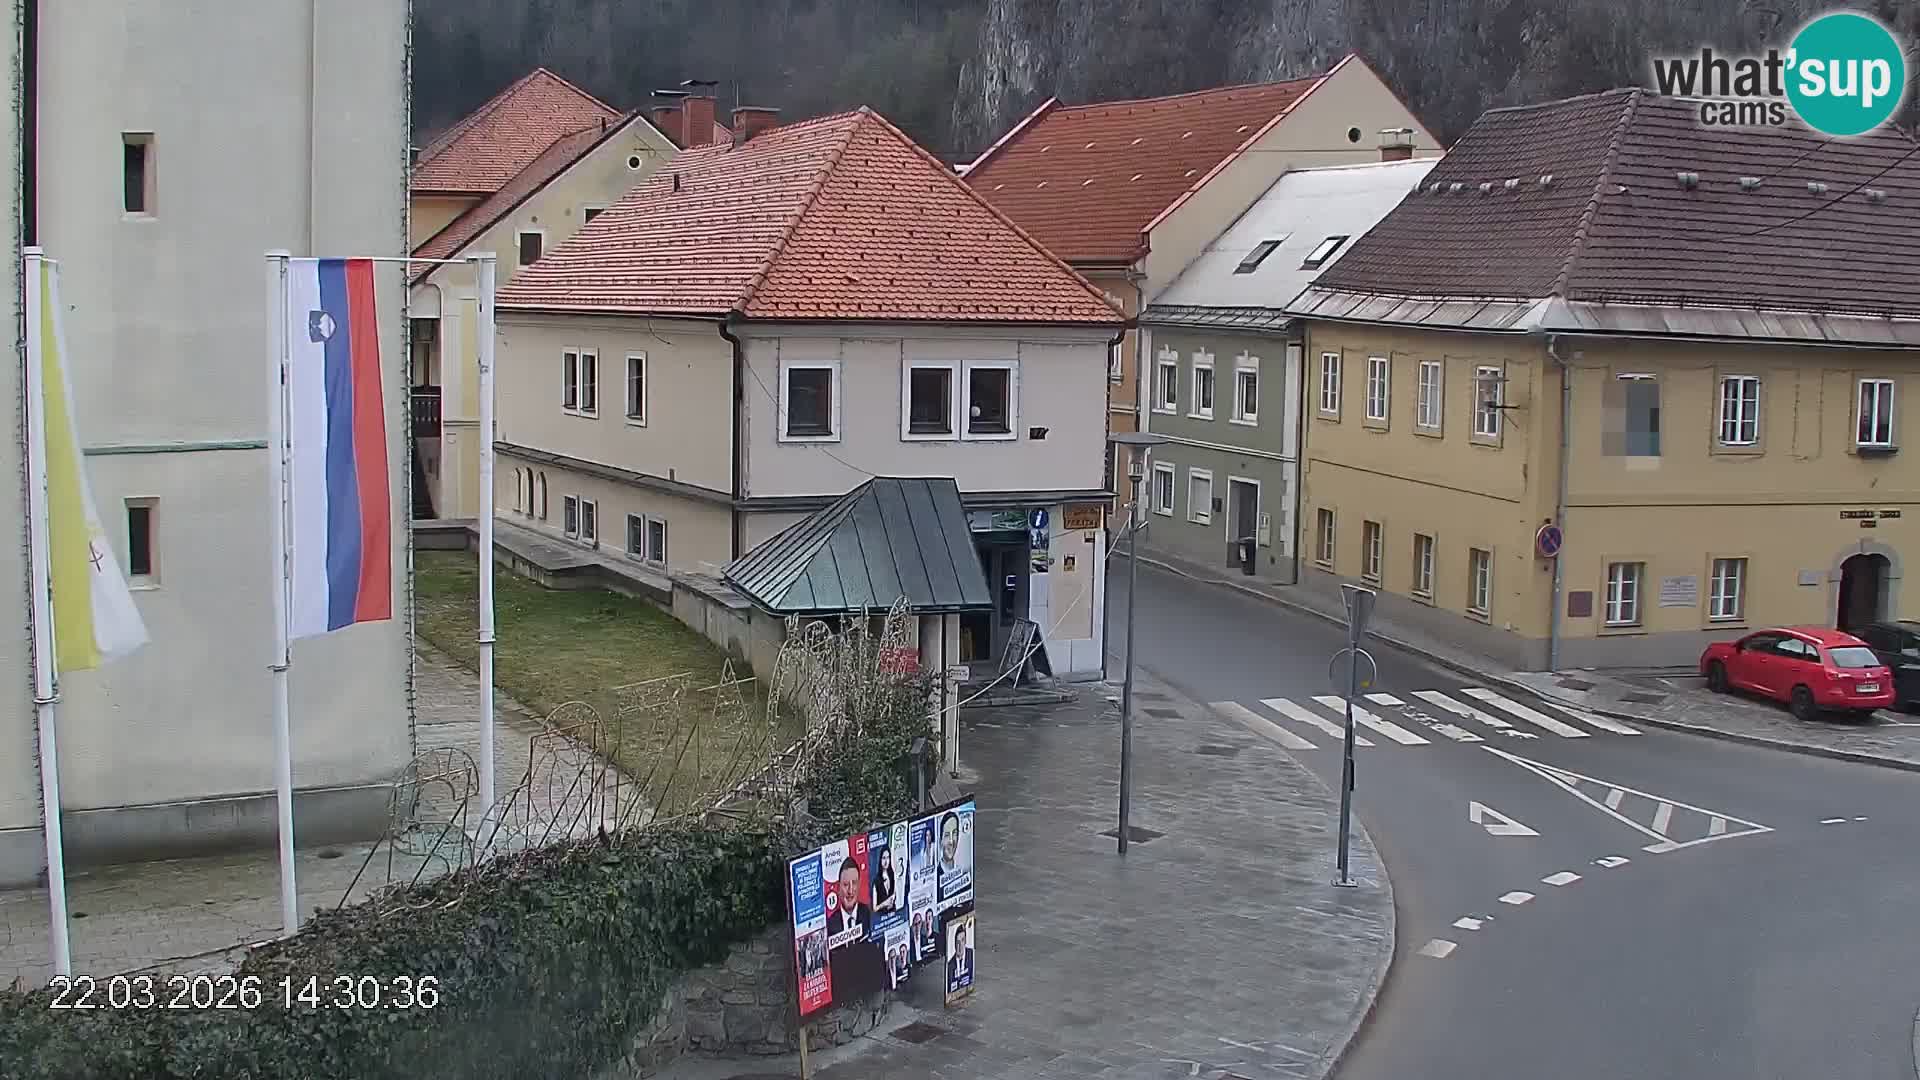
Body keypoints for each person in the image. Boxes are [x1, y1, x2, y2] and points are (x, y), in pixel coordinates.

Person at [825, 857, 872, 940]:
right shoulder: (830, 925)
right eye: (846, 884)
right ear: (838, 887)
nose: (850, 891)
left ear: (859, 885)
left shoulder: (869, 914)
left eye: (854, 883)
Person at [871, 847, 898, 913]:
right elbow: (874, 908)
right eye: (884, 858)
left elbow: (895, 894)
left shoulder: (892, 875)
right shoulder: (876, 881)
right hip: (882, 918)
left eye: (888, 857)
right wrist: (885, 903)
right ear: (880, 860)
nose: (886, 861)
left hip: (893, 914)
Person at [947, 923, 974, 987]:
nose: (960, 945)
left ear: (965, 941)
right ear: (954, 943)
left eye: (962, 940)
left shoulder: (971, 955)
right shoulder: (950, 966)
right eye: (957, 942)